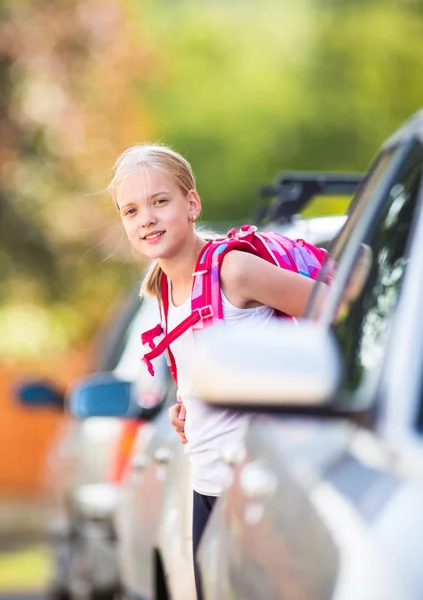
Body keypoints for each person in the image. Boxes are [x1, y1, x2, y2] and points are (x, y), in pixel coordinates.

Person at [108, 144, 321, 600]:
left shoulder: (234, 270)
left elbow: (339, 315)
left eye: (160, 201)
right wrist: (191, 406)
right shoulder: (164, 289)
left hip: (261, 491)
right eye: (131, 210)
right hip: (206, 484)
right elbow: (212, 362)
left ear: (192, 204)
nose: (146, 218)